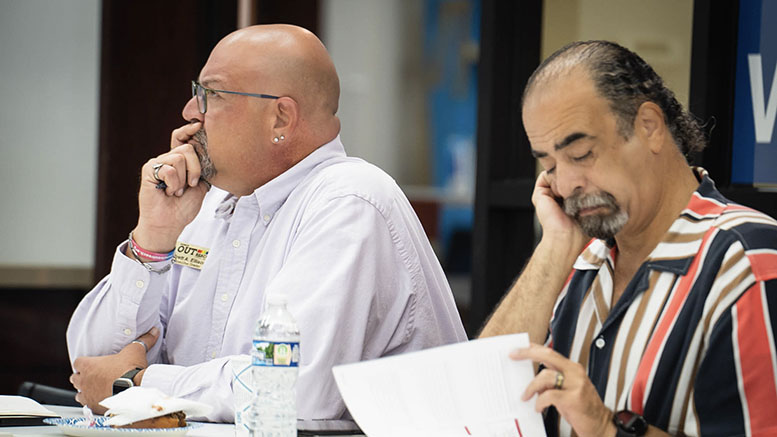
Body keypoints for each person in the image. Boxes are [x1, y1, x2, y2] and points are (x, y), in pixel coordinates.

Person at [67, 24, 467, 422]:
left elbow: (288, 391)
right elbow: (91, 365)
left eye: (211, 94)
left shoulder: (348, 201)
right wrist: (152, 241)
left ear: (281, 118)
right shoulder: (208, 203)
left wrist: (140, 384)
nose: (190, 112)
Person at [480, 41, 777, 437]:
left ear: (649, 127)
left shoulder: (745, 262)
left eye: (581, 154)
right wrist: (555, 246)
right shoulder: (581, 259)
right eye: (548, 165)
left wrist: (605, 429)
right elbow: (479, 401)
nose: (565, 184)